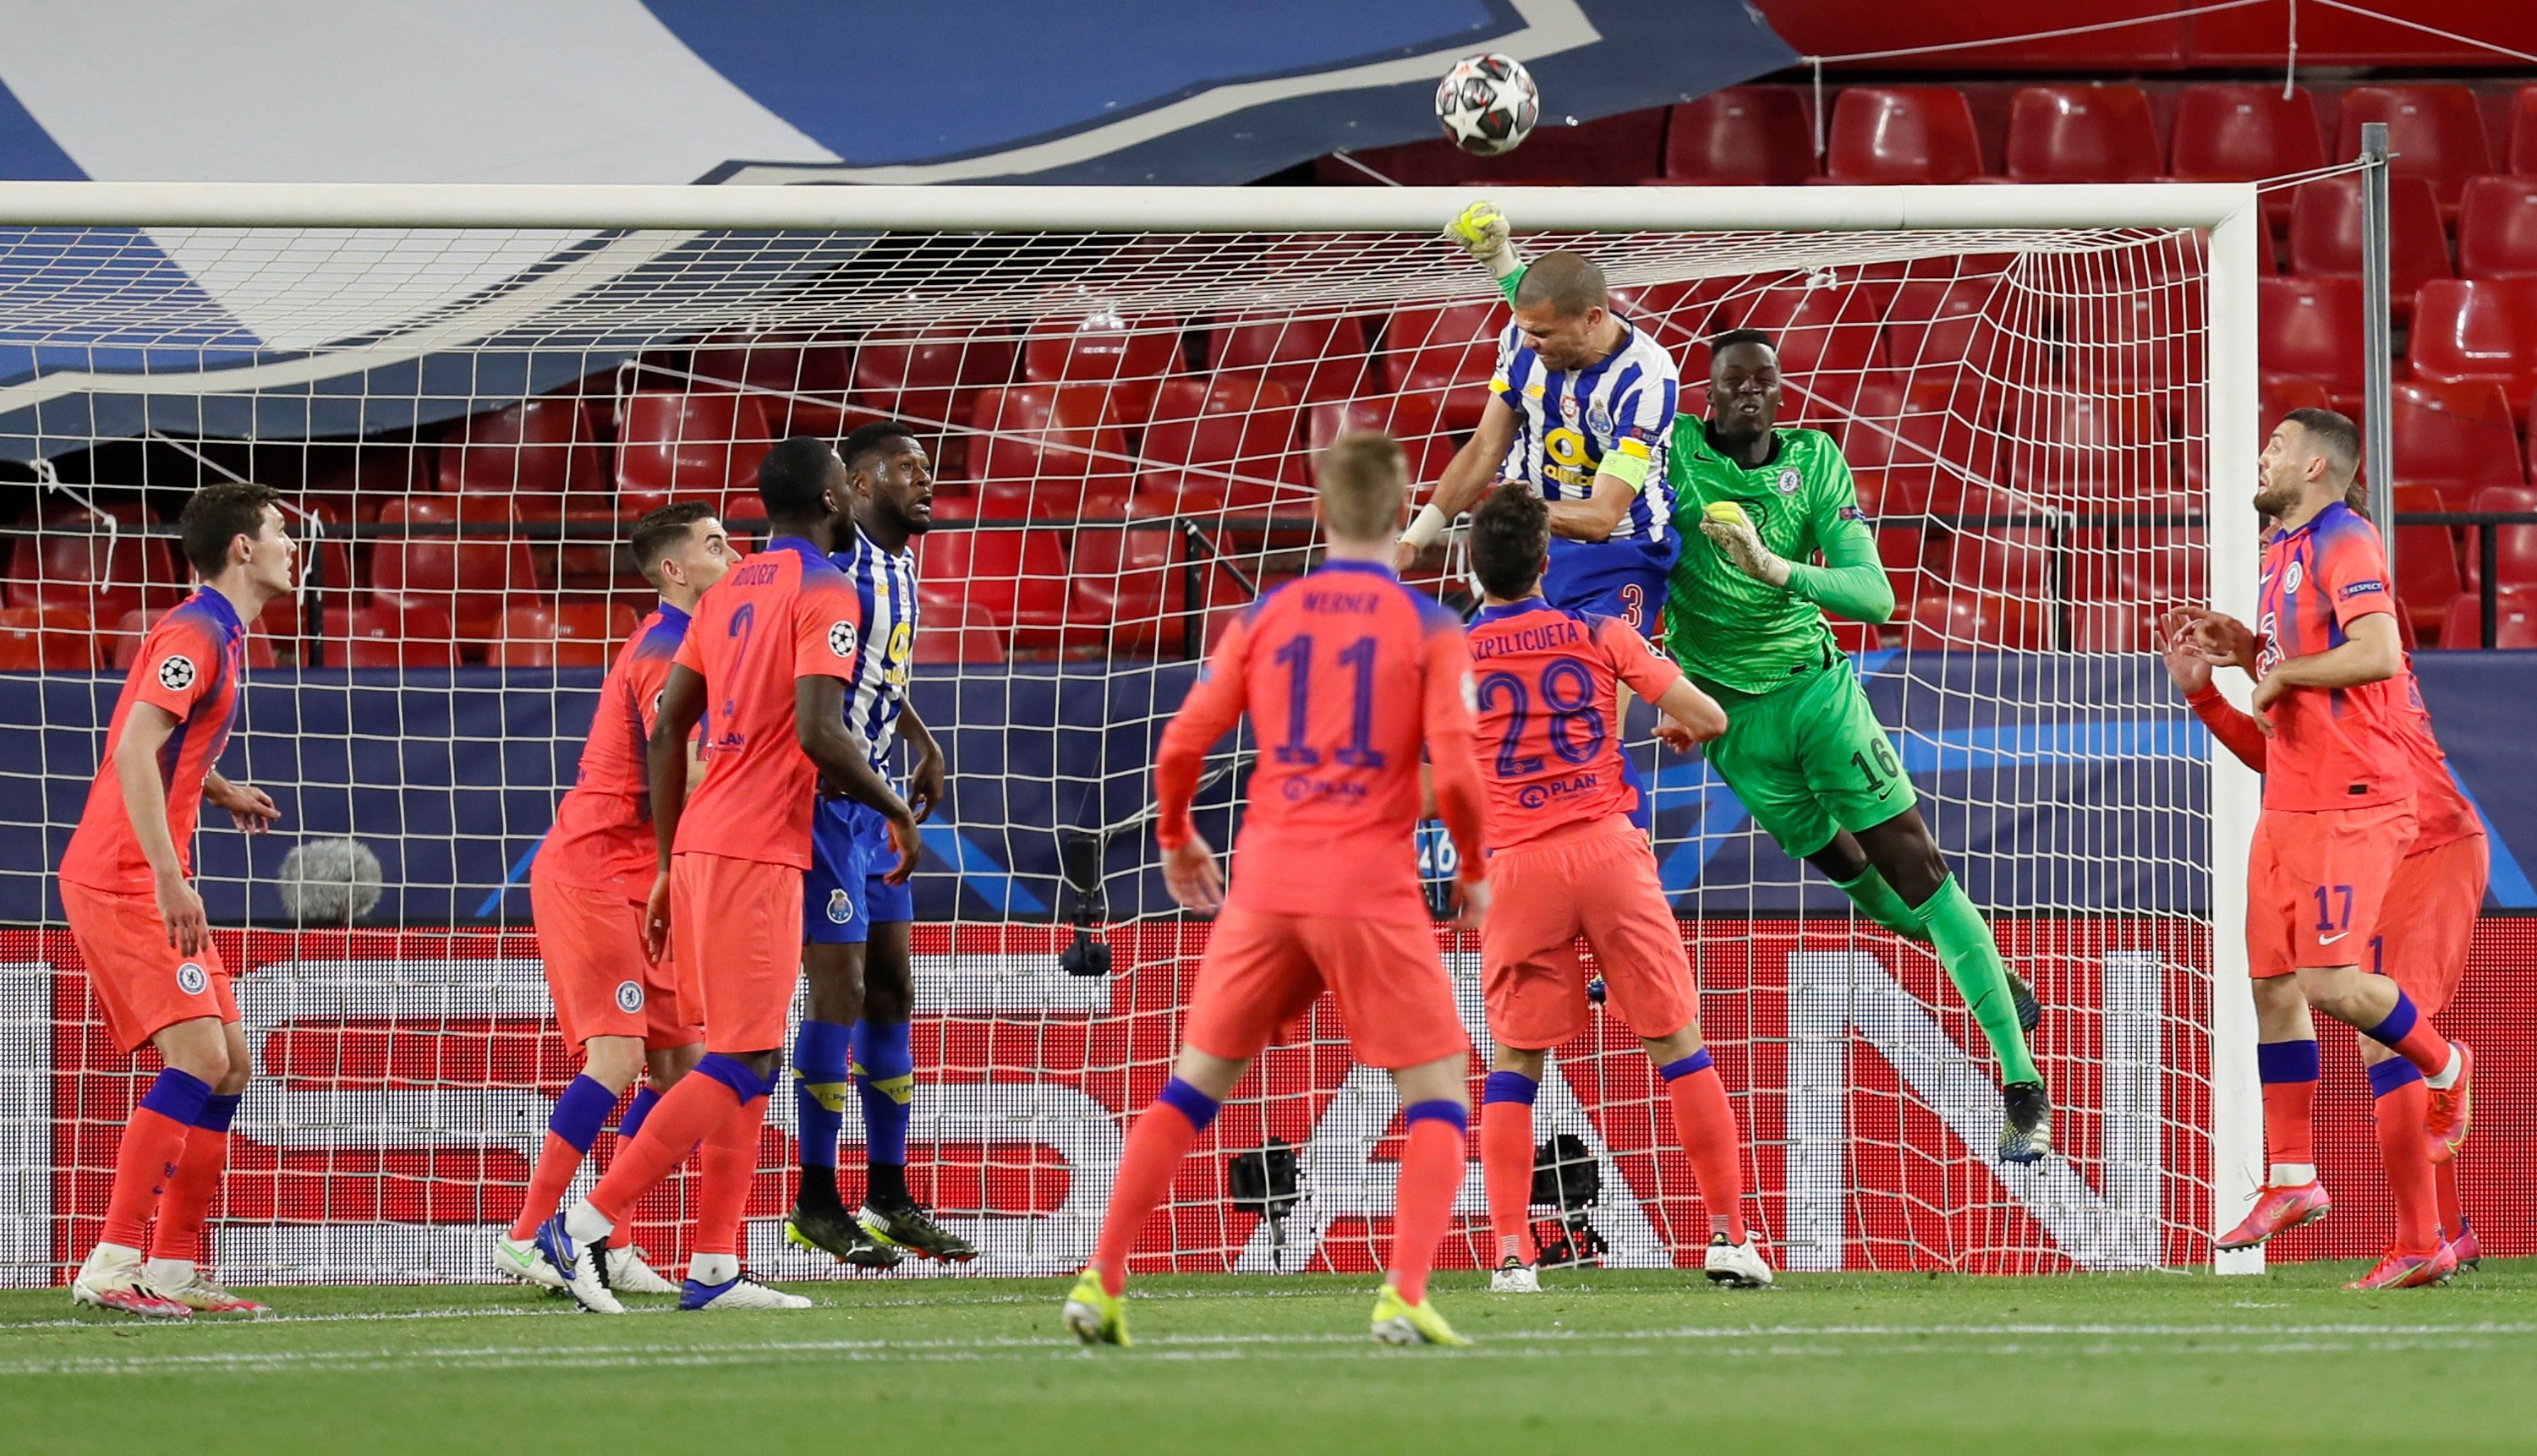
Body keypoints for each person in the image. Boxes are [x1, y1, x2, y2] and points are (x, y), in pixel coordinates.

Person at [1445, 204, 2050, 1165]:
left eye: (1765, 381)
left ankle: (2021, 1086)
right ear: (1712, 395)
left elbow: (1878, 593)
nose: (1751, 397)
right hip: (1731, 724)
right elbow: (1556, 353)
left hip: (1817, 692)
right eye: (1734, 384)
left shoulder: (1816, 465)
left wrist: (1780, 570)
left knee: (1919, 870)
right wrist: (1508, 266)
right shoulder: (1672, 452)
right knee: (1860, 885)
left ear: (1780, 389)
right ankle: (1984, 972)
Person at [1063, 432, 1490, 1349]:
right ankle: (1404, 1292)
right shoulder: (1432, 627)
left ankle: (1101, 1279)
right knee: (1440, 1092)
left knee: (1192, 1086)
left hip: (1263, 880)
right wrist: (1475, 868)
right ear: (1406, 509)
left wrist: (1177, 839)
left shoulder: (1264, 616)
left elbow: (1181, 744)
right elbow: (1456, 771)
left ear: (1323, 511)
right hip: (1368, 883)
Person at [539, 437, 920, 1313]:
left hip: (705, 843)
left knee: (750, 1053)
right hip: (759, 844)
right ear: (835, 497)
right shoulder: (826, 590)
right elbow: (825, 733)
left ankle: (713, 1264)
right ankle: (585, 1223)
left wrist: (670, 860)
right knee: (743, 1053)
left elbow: (670, 728)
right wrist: (894, 808)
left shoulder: (727, 594)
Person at [2174, 410, 2476, 1290]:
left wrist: (2279, 670)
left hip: (2411, 828)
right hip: (2306, 806)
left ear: (2313, 464)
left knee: (2357, 1009)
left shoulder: (2347, 546)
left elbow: (2375, 654)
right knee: (2275, 984)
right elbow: (2287, 746)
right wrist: (2214, 690)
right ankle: (2298, 1177)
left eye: (2272, 443)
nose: (2257, 453)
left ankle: (2430, 1224)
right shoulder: (2279, 562)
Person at [1456, 486, 1771, 1292]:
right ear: (1545, 563)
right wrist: (1675, 725)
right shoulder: (1601, 631)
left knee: (1514, 1062)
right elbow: (1709, 718)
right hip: (1607, 853)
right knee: (1676, 1043)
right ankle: (1730, 1239)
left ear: (1472, 566)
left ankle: (1510, 1256)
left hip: (1519, 864)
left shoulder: (1452, 655)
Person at [62, 482, 293, 1317]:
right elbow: (131, 750)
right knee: (198, 1059)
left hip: (142, 869)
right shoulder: (196, 630)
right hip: (123, 875)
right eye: (278, 532)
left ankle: (171, 1268)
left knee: (229, 1063)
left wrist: (219, 787)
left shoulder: (218, 634)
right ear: (241, 548)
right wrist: (168, 875)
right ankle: (111, 1263)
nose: (290, 547)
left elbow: (162, 736)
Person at [494, 502, 733, 1294]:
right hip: (594, 873)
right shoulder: (666, 649)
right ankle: (530, 1237)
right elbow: (693, 773)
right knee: (621, 1055)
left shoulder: (697, 644)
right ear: (674, 570)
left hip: (643, 877)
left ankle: (605, 1238)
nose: (734, 553)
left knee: (682, 1068)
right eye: (715, 544)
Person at [1397, 206, 1682, 826]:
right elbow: (1483, 448)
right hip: (1533, 554)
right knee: (1489, 726)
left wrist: (1513, 512)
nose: (1529, 343)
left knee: (1588, 719)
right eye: (1524, 330)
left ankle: (1622, 867)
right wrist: (1418, 536)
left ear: (1595, 319)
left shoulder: (1647, 378)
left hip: (1620, 557)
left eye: (1543, 335)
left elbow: (1604, 514)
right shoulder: (1526, 341)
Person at [787, 421, 967, 1270]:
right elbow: (816, 696)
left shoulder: (900, 564)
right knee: (840, 990)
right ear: (857, 486)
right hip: (826, 804)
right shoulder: (834, 567)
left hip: (882, 798)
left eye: (929, 470)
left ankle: (889, 1193)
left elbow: (875, 678)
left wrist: (923, 742)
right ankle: (815, 1198)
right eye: (908, 470)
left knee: (893, 991)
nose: (927, 482)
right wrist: (890, 795)